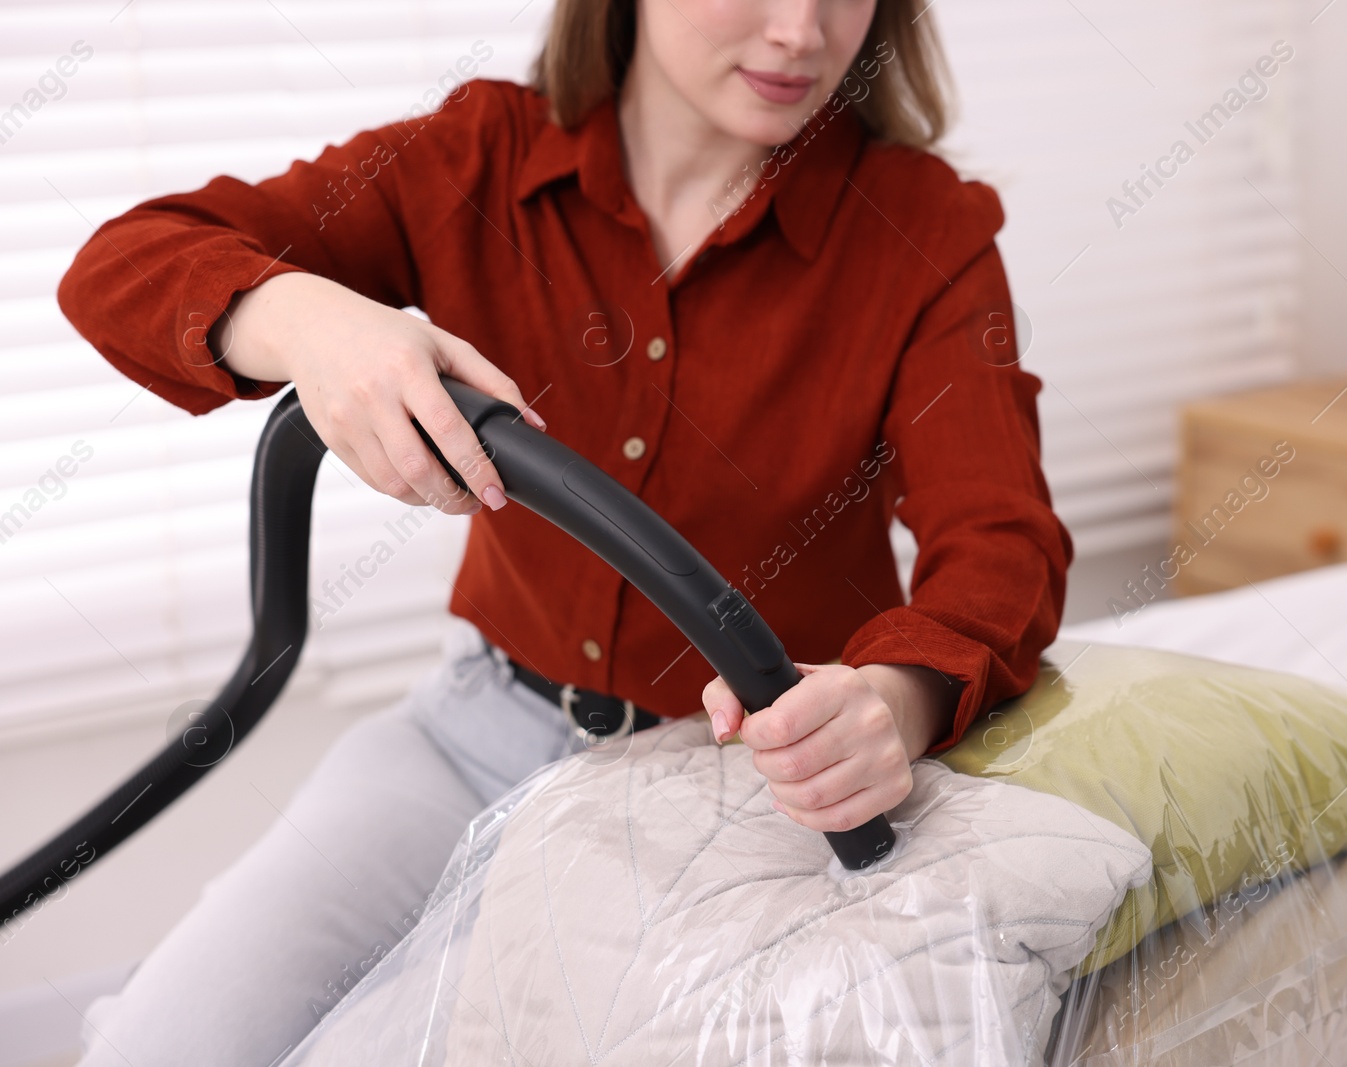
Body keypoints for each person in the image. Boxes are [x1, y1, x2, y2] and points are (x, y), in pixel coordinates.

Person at [56, 0, 1071, 1062]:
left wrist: (893, 702)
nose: (800, 33)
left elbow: (1001, 542)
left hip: (724, 791)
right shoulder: (478, 157)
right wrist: (313, 319)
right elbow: (123, 264)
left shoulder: (926, 230)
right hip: (470, 733)